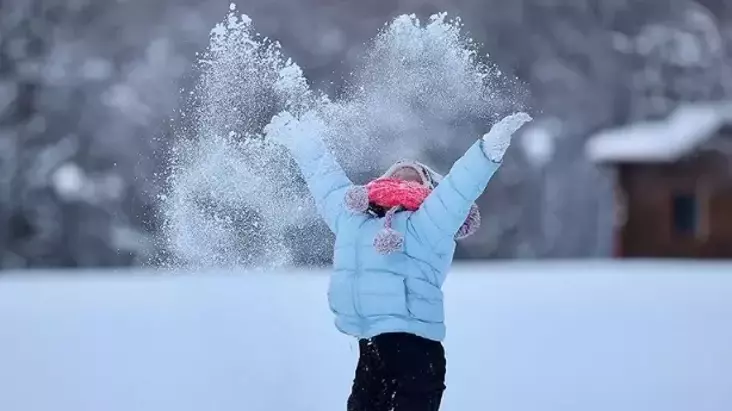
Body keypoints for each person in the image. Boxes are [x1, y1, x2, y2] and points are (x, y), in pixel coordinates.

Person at [264, 110, 532, 411]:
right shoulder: (353, 218)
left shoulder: (430, 222)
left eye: (416, 175)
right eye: (396, 173)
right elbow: (326, 181)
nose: (404, 174)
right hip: (370, 346)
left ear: (430, 190)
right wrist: (303, 143)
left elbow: (459, 188)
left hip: (416, 349)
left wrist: (488, 150)